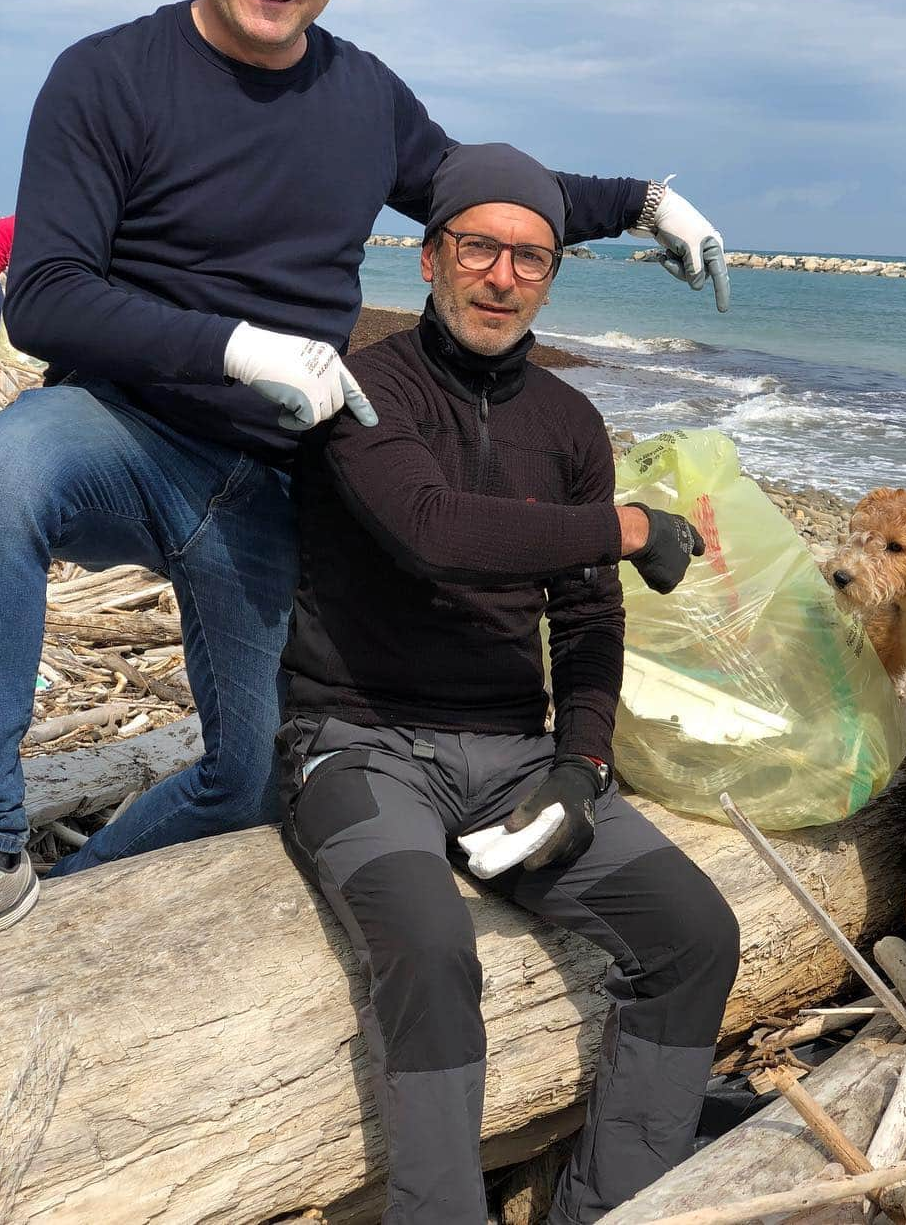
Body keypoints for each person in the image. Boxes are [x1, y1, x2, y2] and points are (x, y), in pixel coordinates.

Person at [0, 0, 731, 926]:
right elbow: (46, 298)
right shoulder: (106, 77)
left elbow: (484, 191)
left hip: (274, 484)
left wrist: (644, 203)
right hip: (124, 433)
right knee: (8, 468)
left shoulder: (365, 99)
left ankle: (61, 903)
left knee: (250, 783)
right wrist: (237, 347)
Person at [276, 142, 740, 1225]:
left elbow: (586, 618)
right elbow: (436, 532)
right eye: (479, 248)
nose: (502, 276)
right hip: (357, 741)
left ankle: (605, 1206)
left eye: (530, 257)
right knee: (434, 949)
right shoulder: (362, 384)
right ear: (430, 260)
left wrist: (579, 769)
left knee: (695, 937)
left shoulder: (570, 424)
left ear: (552, 277)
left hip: (512, 755)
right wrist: (628, 523)